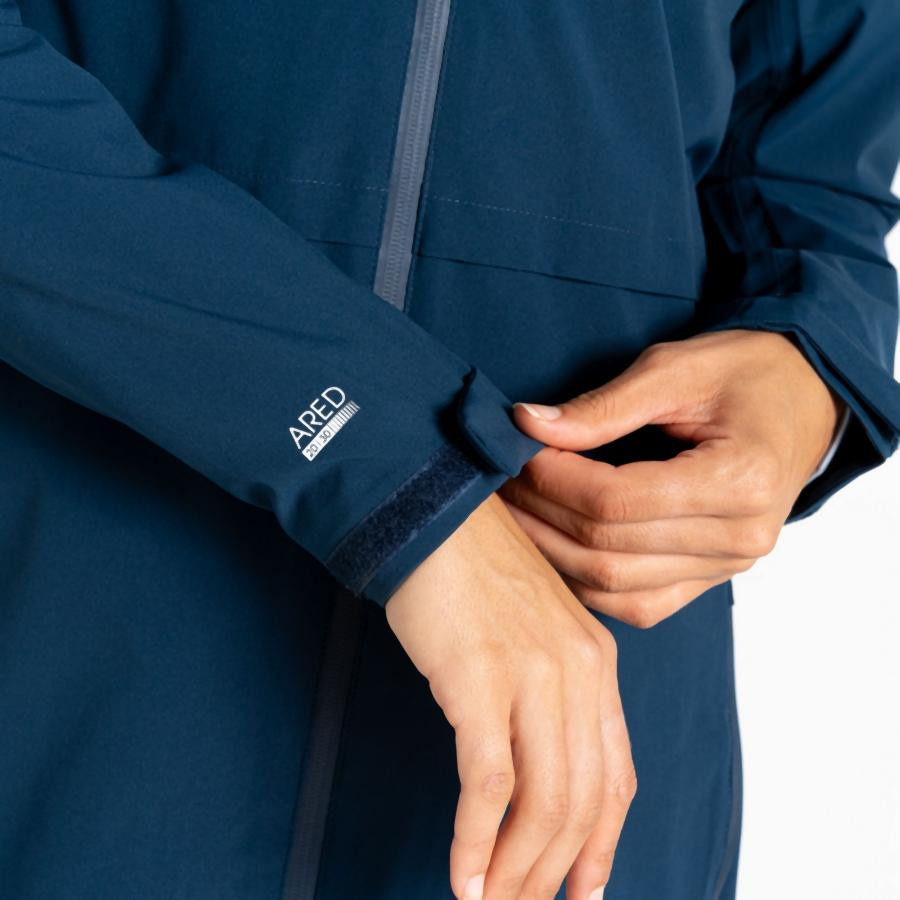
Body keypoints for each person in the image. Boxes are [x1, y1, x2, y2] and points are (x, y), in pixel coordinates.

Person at [1, 1, 898, 898]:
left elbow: (812, 158)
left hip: (584, 709)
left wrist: (808, 360)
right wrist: (393, 467)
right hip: (81, 624)